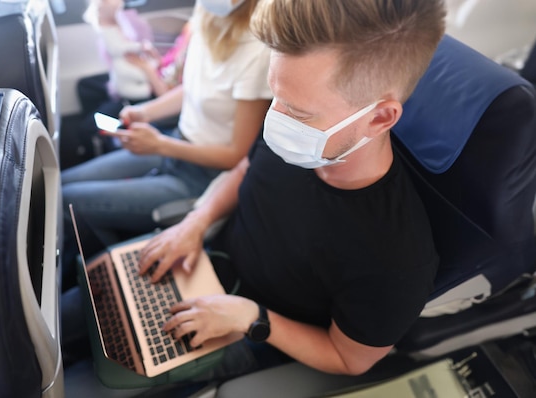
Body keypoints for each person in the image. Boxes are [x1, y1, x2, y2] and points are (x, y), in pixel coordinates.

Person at [137, 0, 445, 381]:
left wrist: (253, 317)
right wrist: (196, 223)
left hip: (250, 335)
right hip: (201, 261)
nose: (275, 118)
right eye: (274, 96)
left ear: (379, 117)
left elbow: (349, 359)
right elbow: (246, 168)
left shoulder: (397, 257)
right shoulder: (296, 134)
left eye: (298, 113)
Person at [61, 0, 272, 288]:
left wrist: (160, 145)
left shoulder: (258, 51)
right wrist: (147, 111)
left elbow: (237, 155)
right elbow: (194, 88)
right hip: (177, 142)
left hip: (200, 174)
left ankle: (94, 279)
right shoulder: (207, 16)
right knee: (58, 184)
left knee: (65, 201)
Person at [74, 0, 192, 160]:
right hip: (153, 72)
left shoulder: (193, 56)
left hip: (150, 87)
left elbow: (167, 93)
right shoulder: (190, 28)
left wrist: (147, 69)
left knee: (88, 126)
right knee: (85, 86)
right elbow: (167, 62)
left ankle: (97, 149)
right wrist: (154, 59)